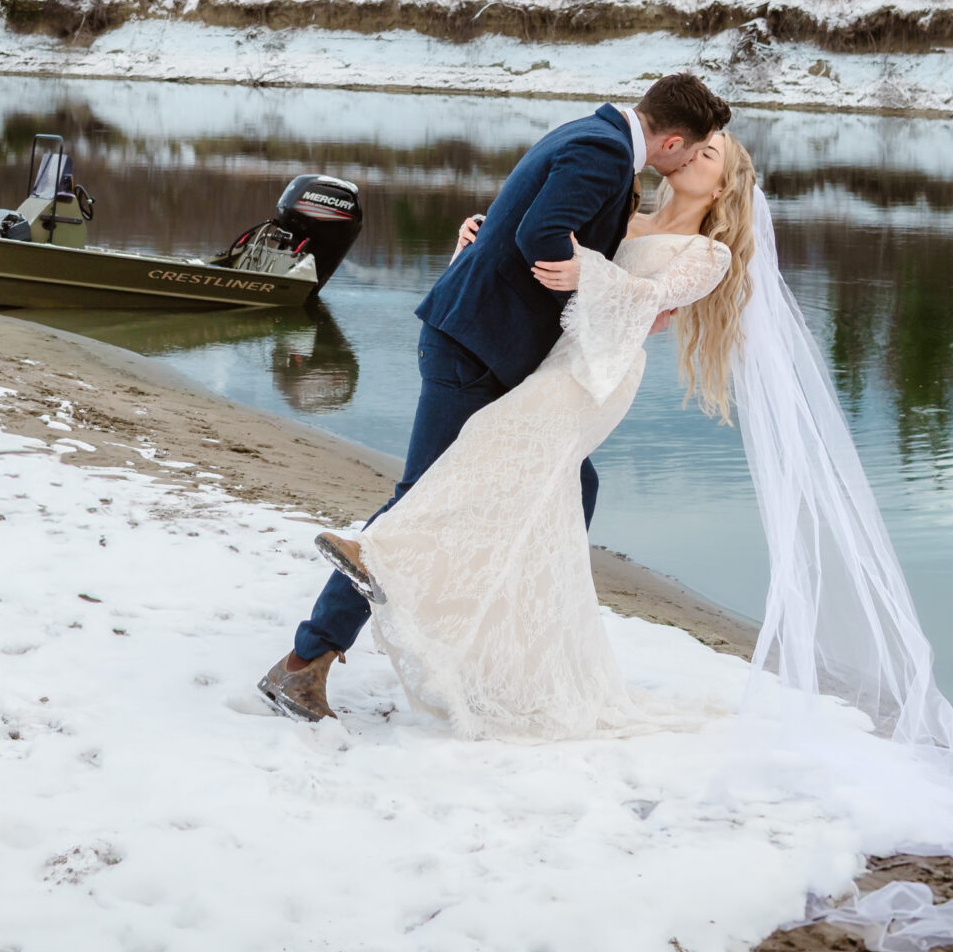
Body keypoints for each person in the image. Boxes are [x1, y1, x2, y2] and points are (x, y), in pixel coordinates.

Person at [274, 128, 953, 952]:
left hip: (591, 377)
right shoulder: (627, 202)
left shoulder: (708, 249)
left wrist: (583, 277)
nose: (694, 152)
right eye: (696, 142)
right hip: (556, 363)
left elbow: (627, 299)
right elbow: (551, 250)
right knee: (533, 496)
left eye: (712, 152)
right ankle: (433, 622)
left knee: (478, 474)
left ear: (723, 185)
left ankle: (375, 573)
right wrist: (490, 237)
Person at [256, 72, 730, 723]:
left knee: (573, 487)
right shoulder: (604, 151)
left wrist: (501, 240)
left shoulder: (594, 140)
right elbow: (542, 235)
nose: (692, 160)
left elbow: (532, 219)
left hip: (503, 356)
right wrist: (598, 288)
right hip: (477, 348)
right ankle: (303, 664)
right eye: (695, 148)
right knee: (418, 504)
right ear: (672, 140)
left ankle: (500, 648)